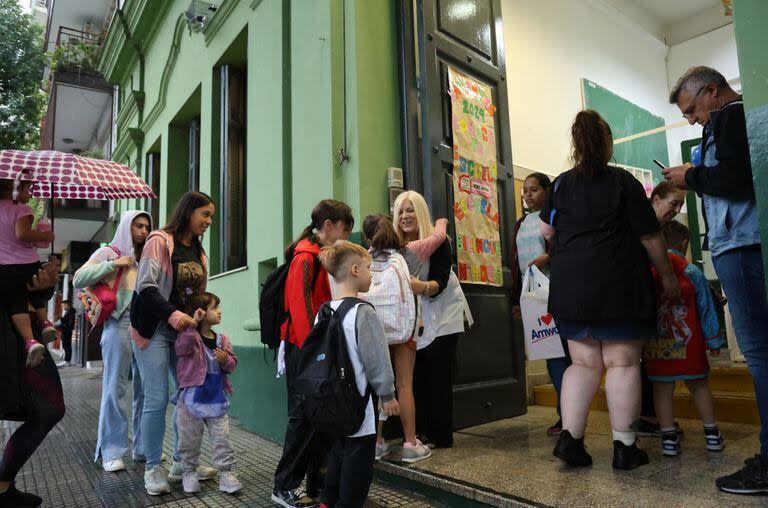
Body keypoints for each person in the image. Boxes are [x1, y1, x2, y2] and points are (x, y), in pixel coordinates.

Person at [543, 110, 680, 470]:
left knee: (582, 363)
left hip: (572, 285)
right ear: (608, 143)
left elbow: (546, 231)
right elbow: (650, 236)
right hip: (619, 282)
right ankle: (625, 447)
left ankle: (571, 440)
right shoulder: (623, 182)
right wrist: (667, 277)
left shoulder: (560, 184)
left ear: (576, 143)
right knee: (622, 362)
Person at [664, 66, 768, 495]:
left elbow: (734, 180)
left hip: (741, 246)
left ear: (710, 91)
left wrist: (690, 177)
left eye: (691, 110)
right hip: (740, 245)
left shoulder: (729, 116)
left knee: (759, 354)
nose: (692, 119)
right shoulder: (728, 121)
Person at [129, 191, 217, 495]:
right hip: (153, 329)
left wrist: (202, 318)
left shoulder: (200, 252)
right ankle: (153, 467)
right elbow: (146, 286)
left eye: (211, 217)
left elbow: (195, 295)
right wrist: (173, 314)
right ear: (188, 211)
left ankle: (182, 461)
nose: (208, 222)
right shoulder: (159, 240)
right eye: (205, 214)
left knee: (187, 399)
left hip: (183, 334)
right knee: (156, 399)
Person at [272, 199, 354, 508]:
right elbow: (300, 305)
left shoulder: (316, 254)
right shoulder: (305, 258)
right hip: (304, 349)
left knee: (316, 418)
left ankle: (317, 485)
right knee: (303, 418)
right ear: (329, 226)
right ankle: (284, 486)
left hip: (311, 348)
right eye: (344, 230)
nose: (345, 237)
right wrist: (315, 351)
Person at [316, 241, 399, 508]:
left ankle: (328, 501)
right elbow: (377, 359)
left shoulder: (323, 311)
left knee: (338, 451)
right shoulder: (363, 312)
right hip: (358, 403)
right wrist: (387, 394)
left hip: (330, 400)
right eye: (367, 267)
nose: (371, 273)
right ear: (354, 270)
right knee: (359, 460)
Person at [361, 214, 448, 463]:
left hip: (377, 330)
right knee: (404, 385)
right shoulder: (410, 252)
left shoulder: (363, 258)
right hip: (406, 328)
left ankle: (377, 442)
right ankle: (410, 443)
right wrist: (442, 222)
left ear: (368, 237)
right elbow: (438, 237)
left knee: (378, 384)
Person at [393, 191, 472, 450]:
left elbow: (441, 278)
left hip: (444, 311)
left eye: (410, 210)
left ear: (421, 212)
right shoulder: (395, 246)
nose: (405, 216)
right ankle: (420, 431)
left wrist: (422, 287)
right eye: (401, 211)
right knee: (418, 374)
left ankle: (440, 435)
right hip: (415, 316)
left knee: (438, 372)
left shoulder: (439, 242)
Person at [73, 210, 151, 472]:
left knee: (145, 389)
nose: (143, 231)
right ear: (127, 226)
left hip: (146, 326)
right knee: (114, 389)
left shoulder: (146, 258)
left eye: (146, 227)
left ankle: (143, 448)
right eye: (137, 226)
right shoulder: (110, 252)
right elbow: (78, 278)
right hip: (119, 323)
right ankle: (111, 451)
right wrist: (113, 265)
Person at [645, 221, 725, 456]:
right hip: (690, 346)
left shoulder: (650, 273)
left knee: (661, 389)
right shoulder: (692, 272)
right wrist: (713, 340)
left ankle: (668, 439)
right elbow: (706, 308)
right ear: (684, 243)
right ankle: (712, 435)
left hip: (658, 344)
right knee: (699, 386)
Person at [0, 260, 65, 508]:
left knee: (49, 409)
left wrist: (43, 282)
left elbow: (33, 284)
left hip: (23, 332)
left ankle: (3, 485)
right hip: (9, 327)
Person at [511, 172, 571, 436]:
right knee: (551, 358)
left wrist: (547, 257)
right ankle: (565, 415)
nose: (528, 194)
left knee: (562, 358)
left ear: (547, 191)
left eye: (534, 190)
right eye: (525, 190)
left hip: (558, 293)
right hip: (533, 299)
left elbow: (568, 249)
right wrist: (517, 300)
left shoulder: (557, 218)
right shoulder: (520, 224)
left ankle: (568, 415)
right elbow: (515, 265)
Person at [634, 181, 688, 437]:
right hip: (638, 295)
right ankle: (647, 417)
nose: (677, 209)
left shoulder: (661, 226)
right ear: (656, 199)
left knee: (650, 359)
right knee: (643, 360)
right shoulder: (645, 223)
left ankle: (651, 416)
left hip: (648, 297)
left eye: (681, 205)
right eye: (673, 203)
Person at [174, 292, 241, 495]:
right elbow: (181, 349)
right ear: (201, 312)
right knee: (189, 438)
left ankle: (226, 474)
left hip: (216, 397)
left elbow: (232, 365)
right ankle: (189, 472)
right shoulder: (190, 336)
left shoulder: (223, 340)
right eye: (214, 308)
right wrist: (192, 324)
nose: (219, 312)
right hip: (190, 398)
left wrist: (225, 361)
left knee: (222, 437)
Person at [0, 176, 57, 369]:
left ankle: (31, 341)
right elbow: (22, 234)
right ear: (12, 187)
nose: (30, 194)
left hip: (4, 270)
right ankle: (45, 323)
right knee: (28, 292)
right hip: (25, 264)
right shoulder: (20, 209)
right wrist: (45, 235)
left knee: (17, 299)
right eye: (28, 189)